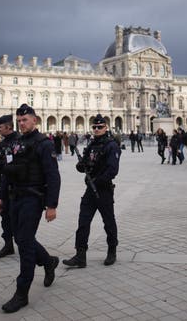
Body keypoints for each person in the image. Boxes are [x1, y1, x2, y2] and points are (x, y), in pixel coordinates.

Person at [0, 104, 61, 313]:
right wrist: (1, 197)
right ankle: (49, 262)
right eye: (19, 121)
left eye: (25, 120)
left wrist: (52, 205)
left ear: (35, 120)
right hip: (15, 197)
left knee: (24, 245)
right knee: (23, 239)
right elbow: (8, 172)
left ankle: (21, 293)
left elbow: (53, 176)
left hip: (33, 199)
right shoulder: (16, 143)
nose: (22, 124)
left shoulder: (44, 144)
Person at [63, 114, 121, 269]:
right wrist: (81, 166)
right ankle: (80, 255)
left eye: (100, 127)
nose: (96, 129)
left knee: (108, 221)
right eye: (94, 127)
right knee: (83, 221)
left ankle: (112, 250)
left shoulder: (111, 145)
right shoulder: (91, 145)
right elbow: (85, 164)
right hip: (90, 189)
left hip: (103, 190)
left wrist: (98, 180)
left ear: (105, 127)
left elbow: (113, 170)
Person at [0, 115, 18, 258]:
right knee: (5, 217)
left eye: (0, 127)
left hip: (16, 186)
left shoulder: (17, 142)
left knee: (15, 217)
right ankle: (8, 245)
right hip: (4, 186)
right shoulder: (2, 144)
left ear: (8, 126)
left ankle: (24, 244)